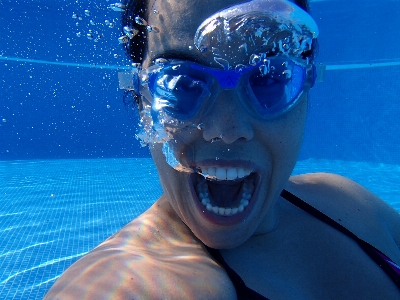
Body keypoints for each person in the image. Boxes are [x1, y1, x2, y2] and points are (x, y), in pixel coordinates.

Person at [45, 0, 400, 299]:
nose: (227, 131)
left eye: (269, 77)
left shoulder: (345, 199)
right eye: (181, 83)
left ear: (305, 85)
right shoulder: (126, 284)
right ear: (143, 102)